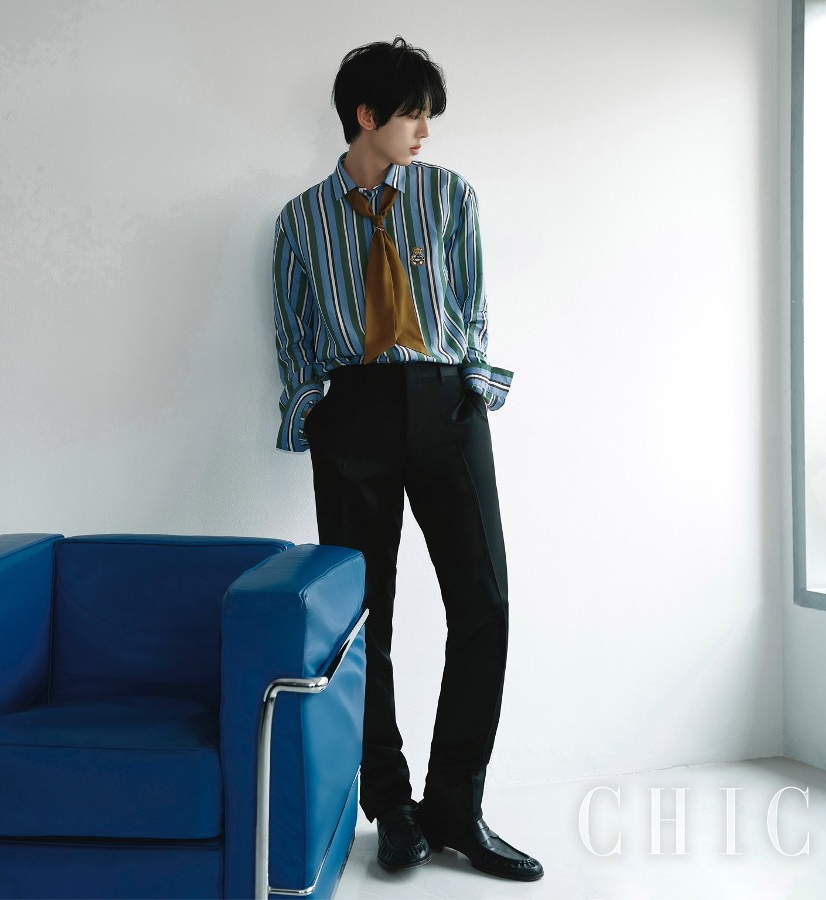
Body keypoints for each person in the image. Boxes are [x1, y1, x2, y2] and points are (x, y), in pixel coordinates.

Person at [270, 37, 543, 882]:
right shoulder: (300, 220)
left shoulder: (450, 195)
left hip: (444, 405)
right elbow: (293, 332)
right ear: (366, 115)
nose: (425, 130)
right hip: (352, 413)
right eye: (414, 114)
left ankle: (456, 802)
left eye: (428, 116)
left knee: (484, 602)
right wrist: (314, 413)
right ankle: (389, 807)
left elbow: (472, 304)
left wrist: (472, 389)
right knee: (364, 620)